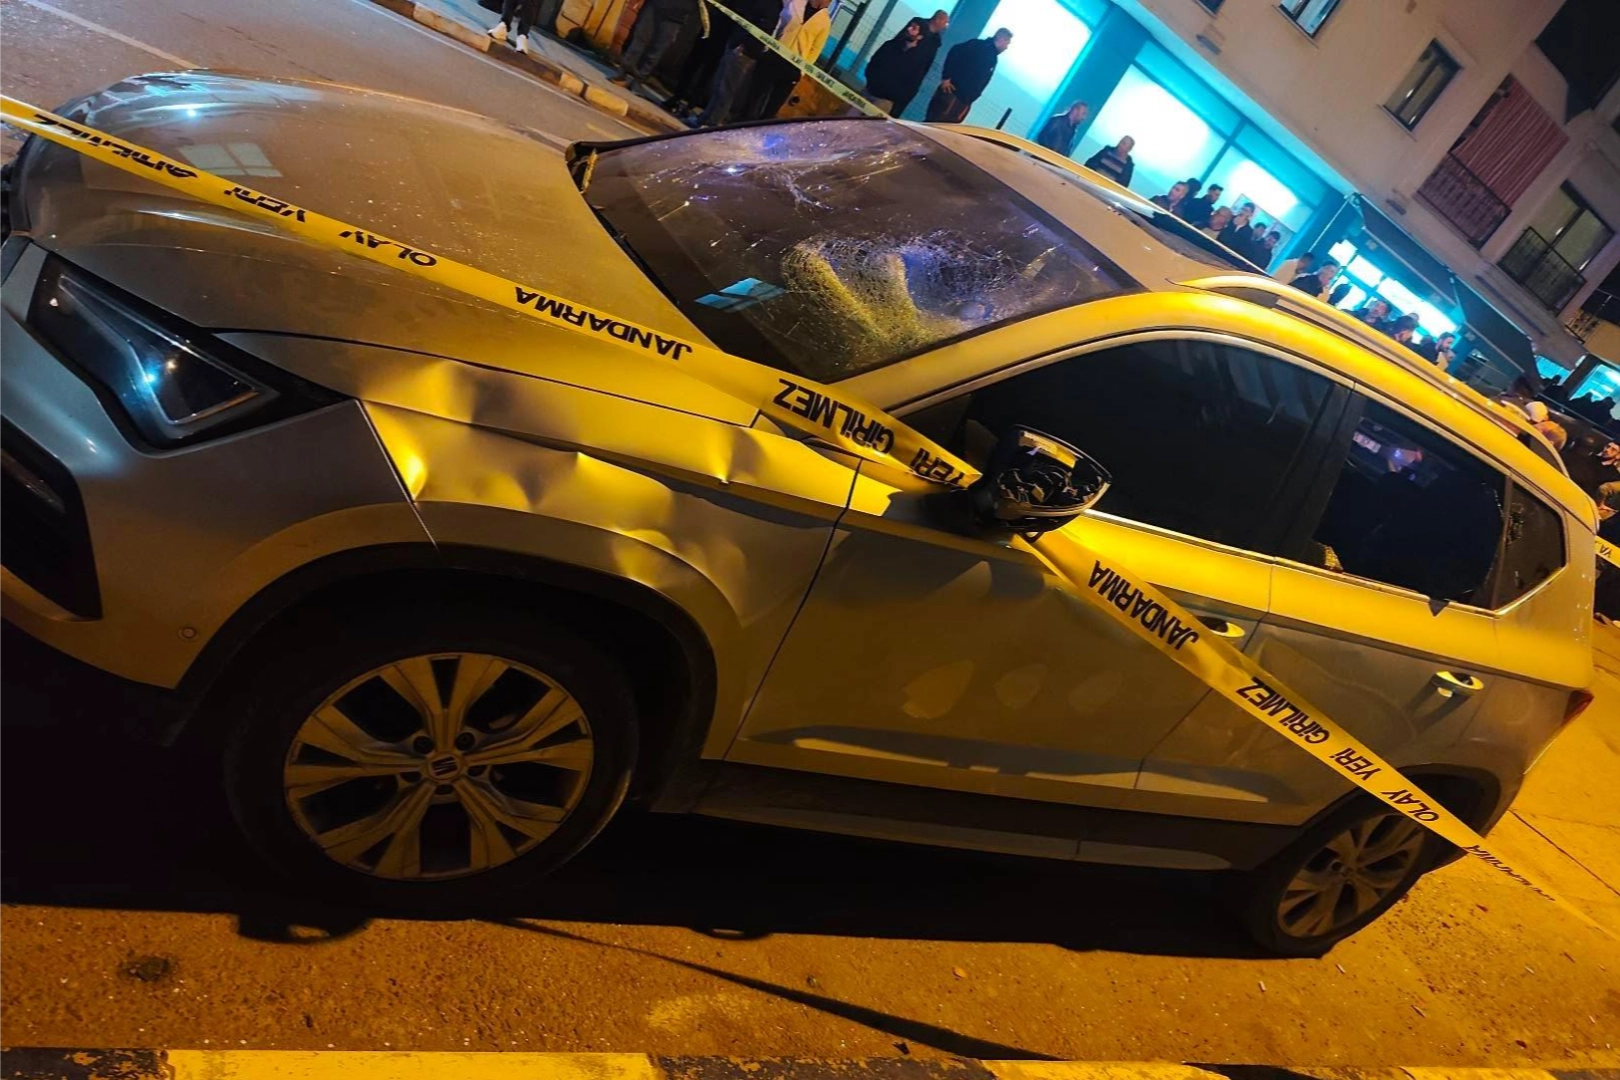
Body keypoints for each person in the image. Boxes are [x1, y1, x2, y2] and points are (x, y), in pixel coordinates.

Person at [693, 0, 782, 126]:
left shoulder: (771, 5)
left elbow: (764, 28)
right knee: (719, 84)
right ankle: (705, 118)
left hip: (743, 50)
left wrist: (744, 45)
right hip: (735, 42)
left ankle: (713, 121)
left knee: (726, 89)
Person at [752, 0, 831, 118]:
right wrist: (767, 47)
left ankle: (763, 125)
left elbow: (815, 50)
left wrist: (801, 71)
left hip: (793, 67)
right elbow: (779, 22)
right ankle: (743, 121)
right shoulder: (796, 4)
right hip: (774, 55)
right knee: (755, 95)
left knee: (773, 105)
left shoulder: (825, 22)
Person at [612, 0, 704, 94]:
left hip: (677, 16)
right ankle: (622, 74)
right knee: (639, 40)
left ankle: (638, 81)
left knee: (656, 51)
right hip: (655, 5)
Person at [924, 28, 1011, 123]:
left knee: (943, 124)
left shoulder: (992, 56)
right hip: (953, 92)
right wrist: (946, 77)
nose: (1006, 47)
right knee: (936, 122)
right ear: (1001, 39)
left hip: (963, 99)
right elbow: (955, 51)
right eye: (1007, 43)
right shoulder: (977, 46)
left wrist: (971, 98)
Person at [665, 0, 736, 115]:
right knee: (692, 64)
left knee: (706, 73)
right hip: (710, 26)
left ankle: (691, 105)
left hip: (724, 35)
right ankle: (677, 97)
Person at [863, 18, 930, 115]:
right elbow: (873, 64)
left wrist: (893, 95)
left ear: (920, 36)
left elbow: (912, 84)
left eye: (914, 28)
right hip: (868, 90)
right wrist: (872, 82)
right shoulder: (890, 45)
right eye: (909, 26)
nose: (909, 29)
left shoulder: (918, 60)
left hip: (885, 100)